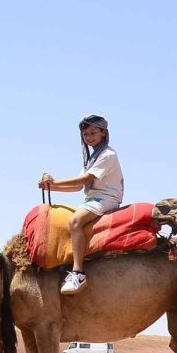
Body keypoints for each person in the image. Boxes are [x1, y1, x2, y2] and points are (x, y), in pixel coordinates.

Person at [38, 114, 123, 295]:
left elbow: (86, 179)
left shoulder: (107, 154)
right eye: (85, 134)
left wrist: (55, 182)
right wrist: (50, 186)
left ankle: (78, 273)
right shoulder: (92, 158)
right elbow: (78, 186)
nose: (89, 137)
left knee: (75, 221)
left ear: (103, 132)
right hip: (93, 199)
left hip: (106, 198)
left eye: (93, 133)